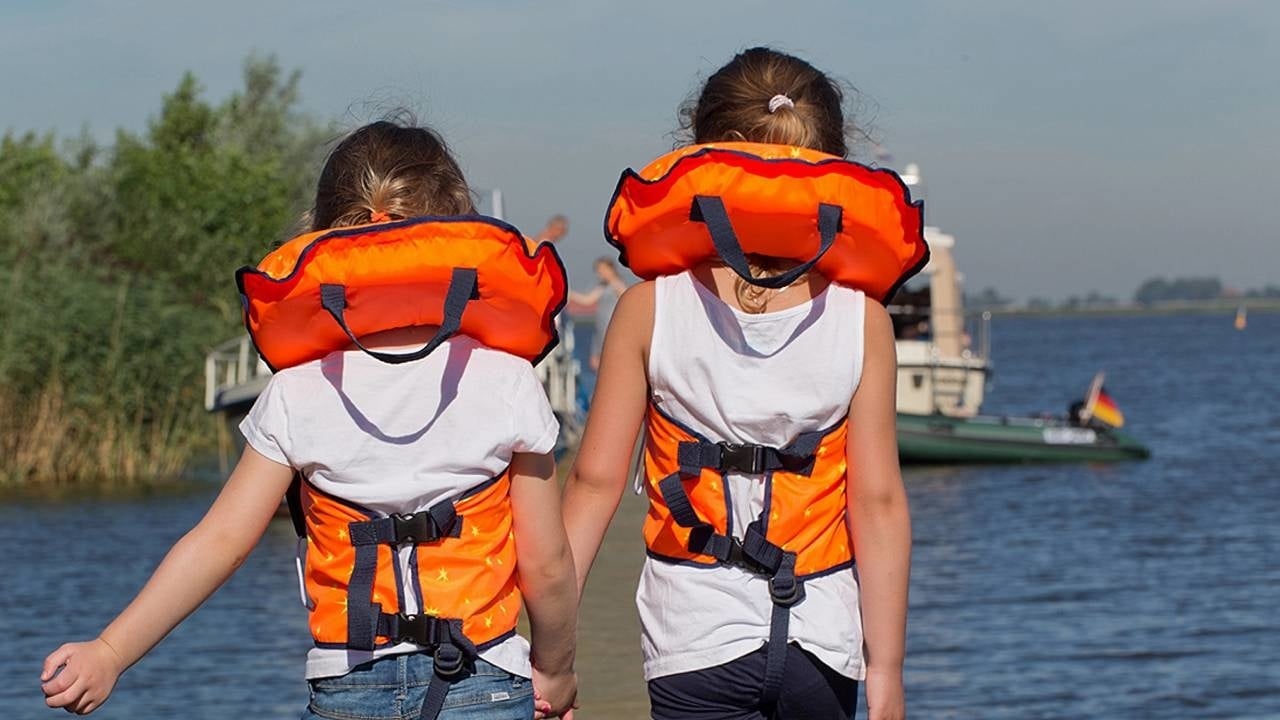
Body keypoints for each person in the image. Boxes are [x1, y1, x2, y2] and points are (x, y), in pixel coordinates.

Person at [40, 120, 578, 719]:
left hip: (349, 688)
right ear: (457, 232)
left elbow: (220, 543)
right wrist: (555, 669)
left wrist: (111, 651)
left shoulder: (298, 390)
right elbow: (546, 560)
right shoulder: (506, 380)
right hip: (482, 677)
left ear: (323, 237)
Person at [561, 47, 925, 720]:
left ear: (701, 159)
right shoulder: (862, 320)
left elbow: (594, 483)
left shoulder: (650, 308)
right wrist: (888, 671)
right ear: (832, 167)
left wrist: (549, 656)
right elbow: (877, 504)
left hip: (693, 642)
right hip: (823, 639)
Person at [568, 257, 629, 372]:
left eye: (601, 270)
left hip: (614, 328)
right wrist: (569, 293)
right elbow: (587, 300)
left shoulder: (617, 285)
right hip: (601, 329)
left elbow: (628, 302)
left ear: (610, 269)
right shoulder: (602, 287)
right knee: (599, 365)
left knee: (613, 362)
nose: (599, 273)